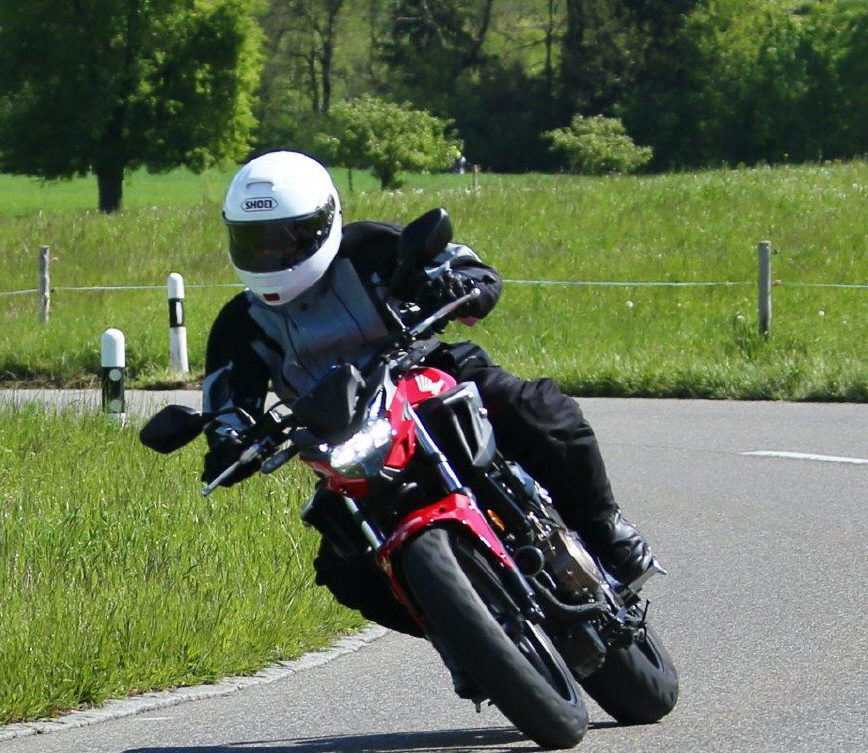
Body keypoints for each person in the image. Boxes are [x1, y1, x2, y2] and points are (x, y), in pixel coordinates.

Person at [202, 150, 657, 642]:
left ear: (325, 220)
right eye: (255, 241)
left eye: (285, 239)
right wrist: (227, 439)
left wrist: (461, 286)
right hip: (343, 439)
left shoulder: (372, 248)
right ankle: (463, 637)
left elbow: (464, 265)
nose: (271, 255)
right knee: (344, 570)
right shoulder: (240, 323)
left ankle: (606, 529)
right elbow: (228, 400)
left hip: (427, 376)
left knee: (541, 411)